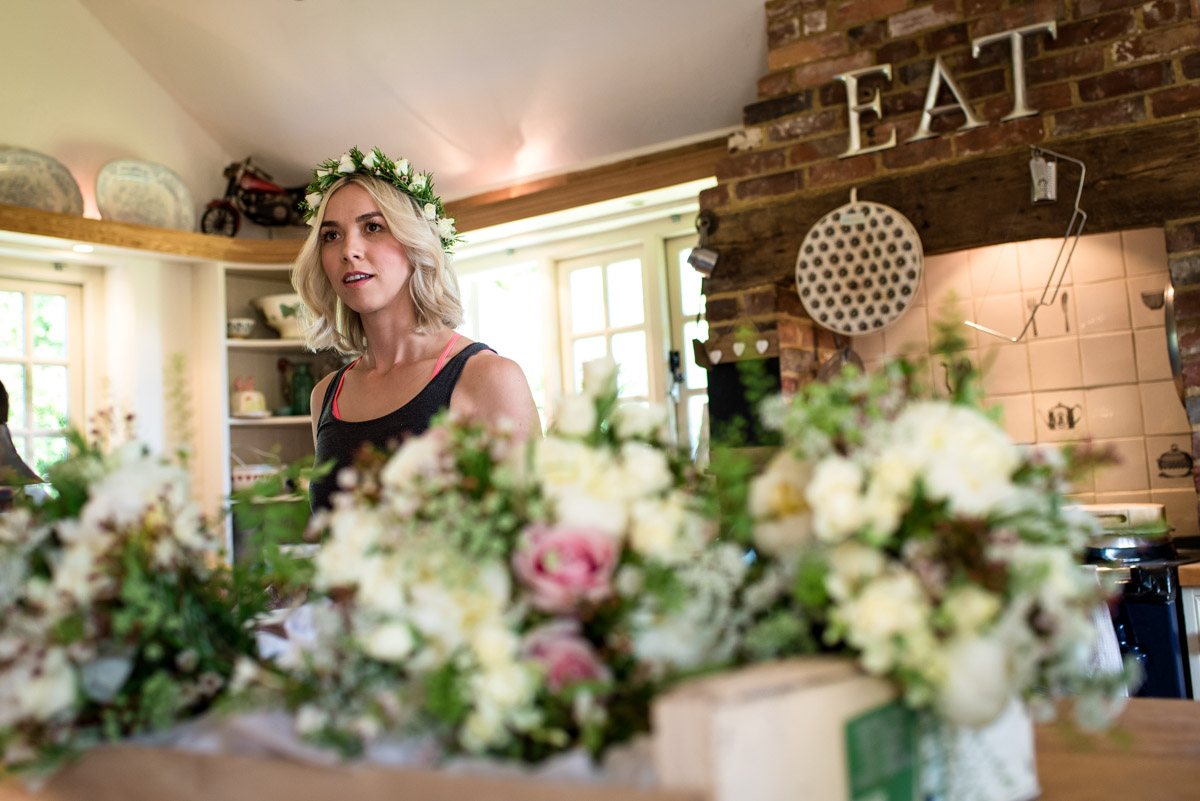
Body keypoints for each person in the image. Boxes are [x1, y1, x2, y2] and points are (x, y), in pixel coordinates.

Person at [292, 147, 540, 512]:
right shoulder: (325, 397)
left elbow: (536, 537)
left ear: (415, 243)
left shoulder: (488, 378)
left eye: (373, 227)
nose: (350, 250)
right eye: (331, 236)